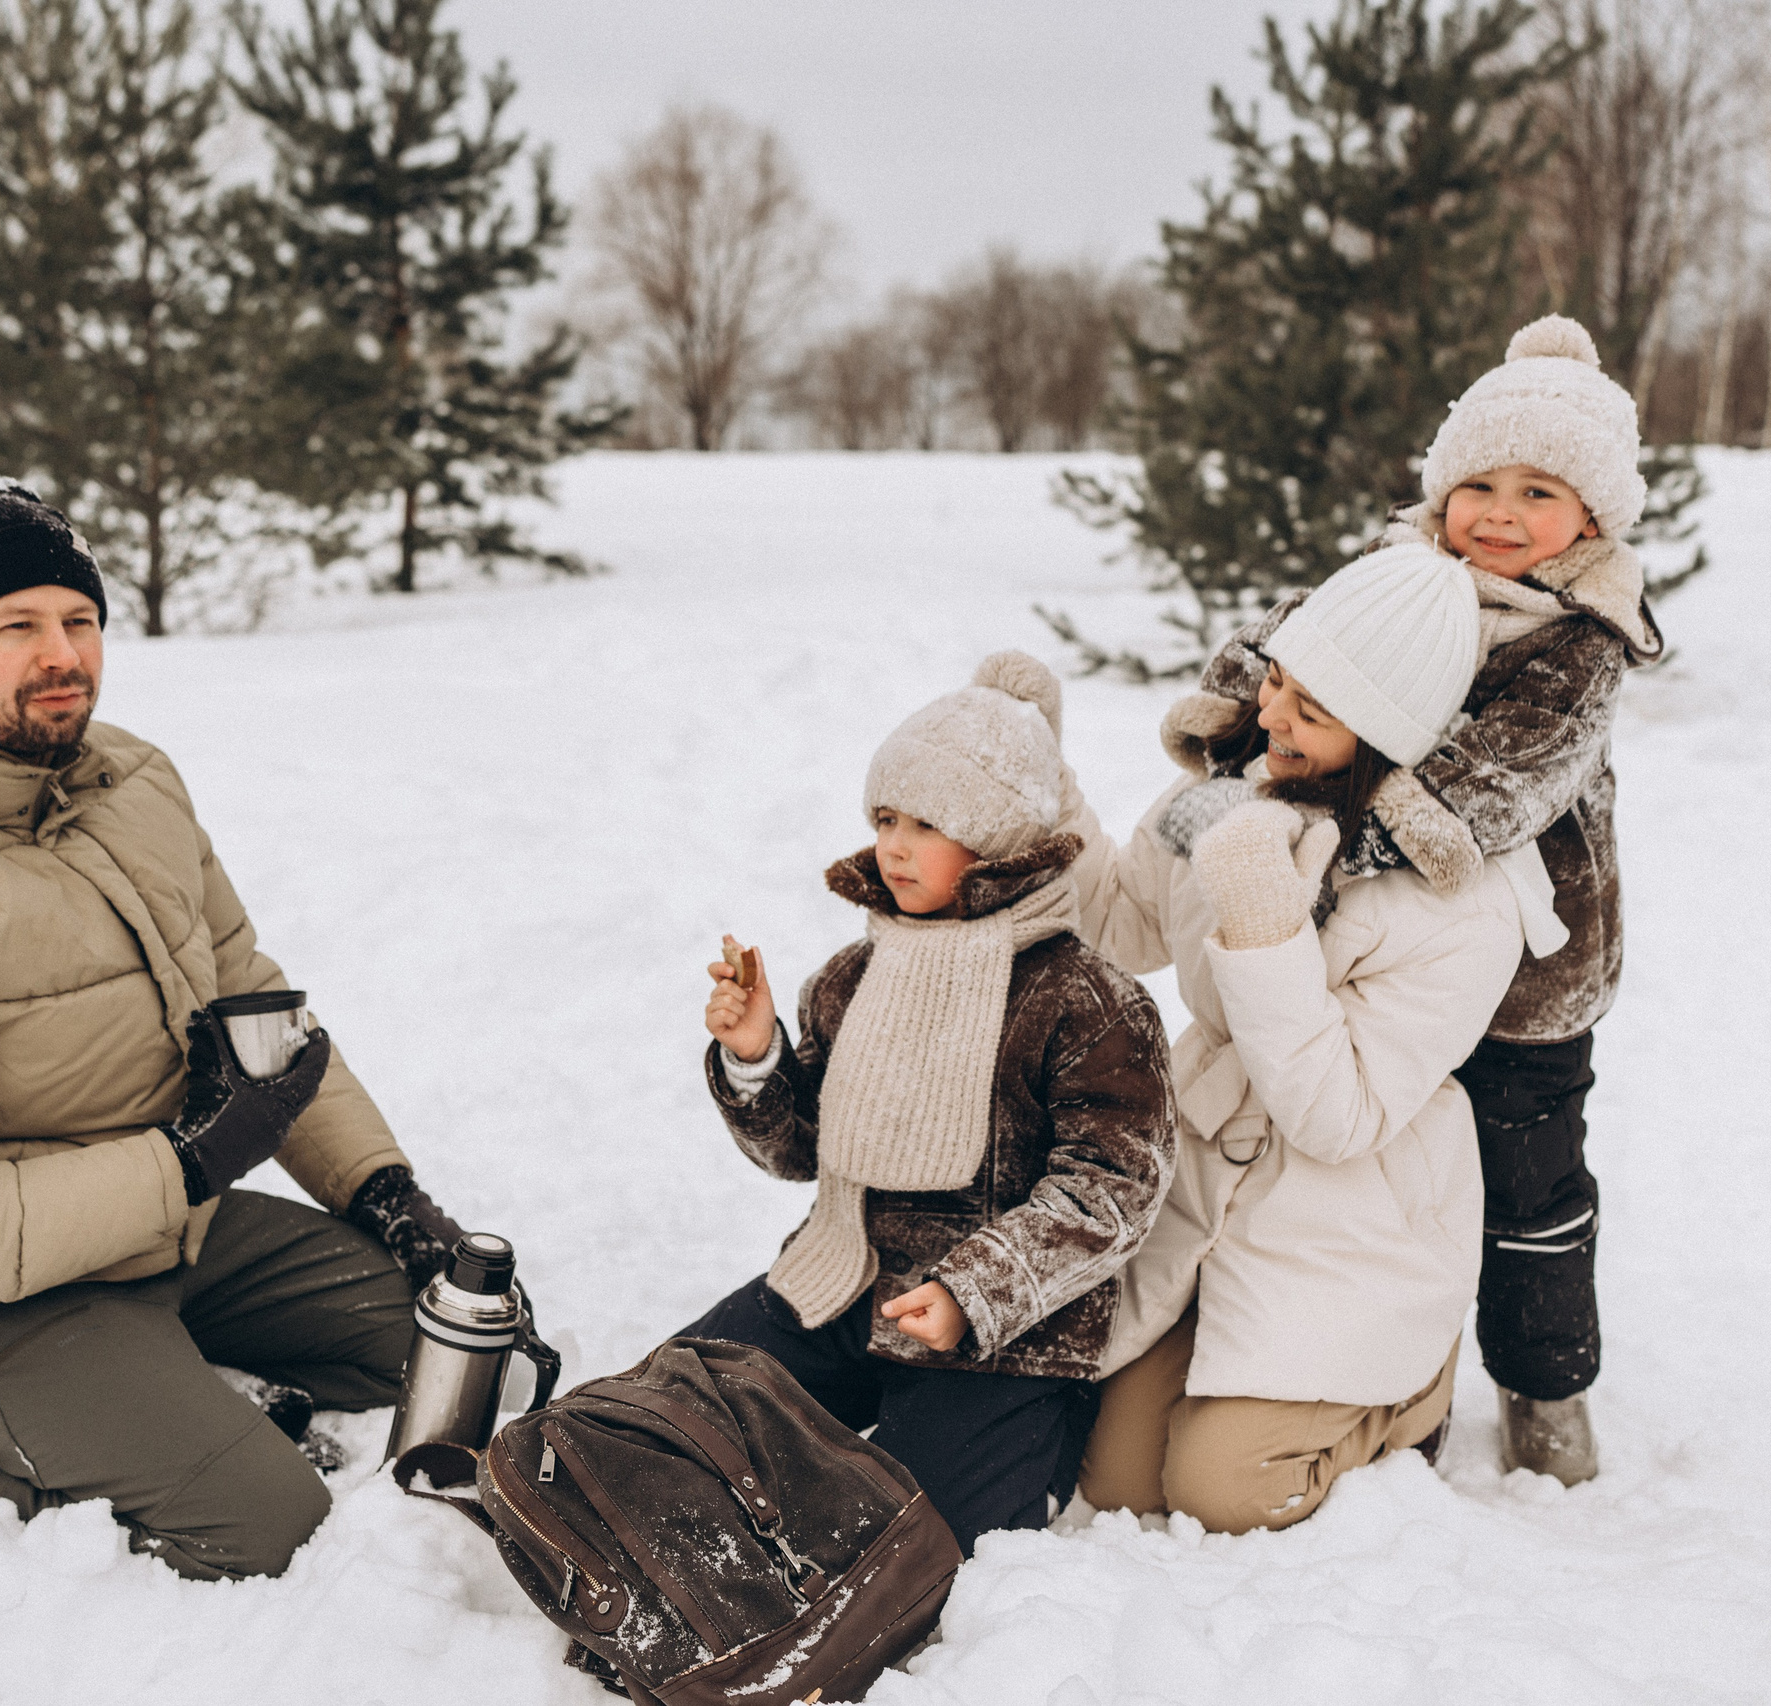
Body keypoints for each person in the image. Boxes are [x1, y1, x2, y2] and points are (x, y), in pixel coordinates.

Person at [0, 471, 473, 1579]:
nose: (61, 654)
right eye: (13, 625)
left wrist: (388, 1194)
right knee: (262, 1522)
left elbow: (253, 995)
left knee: (455, 1355)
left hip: (144, 1227)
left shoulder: (129, 782)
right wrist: (189, 1159)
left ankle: (157, 1383)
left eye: (78, 620)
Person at [1077, 314, 1662, 1485]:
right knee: (1352, 1172)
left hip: (1522, 965)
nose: (1497, 512)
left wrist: (1326, 860)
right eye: (1476, 483)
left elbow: (1497, 782)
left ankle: (1543, 1383)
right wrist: (1229, 716)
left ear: (1589, 520)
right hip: (1373, 901)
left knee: (1525, 1192)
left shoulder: (1579, 639)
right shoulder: (1408, 568)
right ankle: (1305, 1327)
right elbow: (1302, 631)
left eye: (1536, 492)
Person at [1065, 544, 1567, 1534]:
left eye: (1311, 707)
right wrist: (1043, 794)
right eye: (1277, 680)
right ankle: (1230, 1348)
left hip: (1347, 1216)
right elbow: (1119, 921)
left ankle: (1407, 1392)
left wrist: (1264, 922)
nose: (1270, 716)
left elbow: (1337, 1117)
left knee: (1223, 1491)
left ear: (1387, 731)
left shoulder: (1463, 898)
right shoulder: (1242, 785)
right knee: (1114, 1474)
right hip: (1215, 1182)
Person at [689, 653, 1178, 1555]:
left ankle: (1039, 1439)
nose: (896, 846)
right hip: (845, 1280)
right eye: (886, 818)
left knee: (908, 1540)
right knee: (673, 1414)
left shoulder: (1084, 999)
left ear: (999, 843)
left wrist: (973, 1290)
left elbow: (1114, 1187)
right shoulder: (851, 978)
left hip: (1002, 1332)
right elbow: (804, 1151)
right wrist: (758, 1057)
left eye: (929, 825)